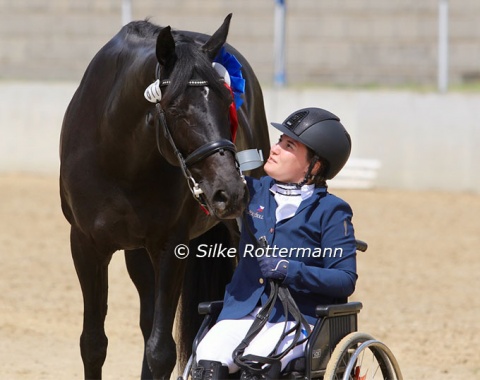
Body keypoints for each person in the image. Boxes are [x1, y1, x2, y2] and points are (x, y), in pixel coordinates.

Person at [193, 107, 358, 380]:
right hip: (241, 312)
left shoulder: (332, 210)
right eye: (280, 140)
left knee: (257, 364)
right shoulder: (251, 191)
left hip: (296, 320)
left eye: (289, 145)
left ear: (314, 165)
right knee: (207, 361)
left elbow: (344, 279)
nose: (276, 148)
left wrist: (291, 270)